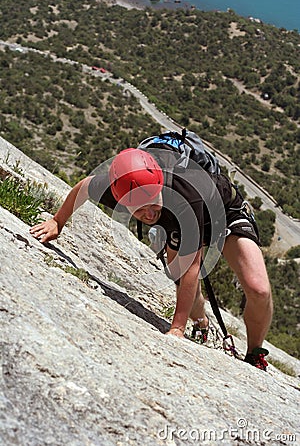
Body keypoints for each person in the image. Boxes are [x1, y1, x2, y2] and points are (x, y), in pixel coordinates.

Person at [30, 147, 273, 371]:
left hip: (226, 214)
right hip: (178, 223)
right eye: (139, 209)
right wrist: (56, 222)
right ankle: (201, 323)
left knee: (258, 289)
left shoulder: (186, 194)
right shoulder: (121, 189)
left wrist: (177, 328)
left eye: (152, 203)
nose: (148, 213)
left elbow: (193, 267)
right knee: (185, 286)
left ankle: (254, 353)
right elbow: (84, 186)